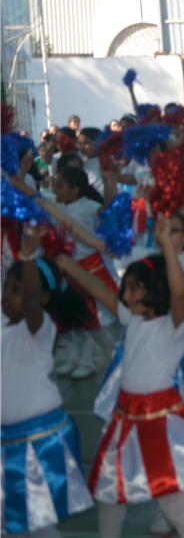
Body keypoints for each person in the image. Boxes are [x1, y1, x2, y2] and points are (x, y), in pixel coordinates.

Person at [59, 217, 184, 538]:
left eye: (135, 288)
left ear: (156, 288)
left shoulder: (174, 327)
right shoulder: (133, 318)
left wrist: (167, 248)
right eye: (126, 288)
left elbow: (179, 295)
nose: (126, 295)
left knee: (176, 507)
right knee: (109, 497)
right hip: (125, 418)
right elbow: (97, 289)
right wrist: (66, 265)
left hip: (159, 421)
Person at [1, 225, 95, 536]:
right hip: (7, 440)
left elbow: (30, 306)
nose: (7, 295)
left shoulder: (38, 332)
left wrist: (28, 257)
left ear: (42, 298)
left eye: (17, 290)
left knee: (39, 523)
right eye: (6, 287)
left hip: (40, 439)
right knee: (13, 521)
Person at [42, 165, 118, 379]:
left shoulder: (88, 206)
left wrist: (109, 181)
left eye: (59, 185)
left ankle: (110, 357)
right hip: (65, 269)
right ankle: (73, 358)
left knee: (90, 321)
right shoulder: (55, 203)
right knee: (67, 319)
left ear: (74, 190)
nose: (54, 188)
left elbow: (108, 209)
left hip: (89, 269)